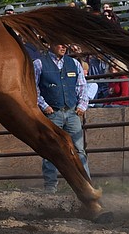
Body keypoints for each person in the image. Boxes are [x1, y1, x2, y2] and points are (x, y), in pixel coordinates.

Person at [33, 43, 92, 194]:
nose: (63, 46)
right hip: (53, 112)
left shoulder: (74, 64)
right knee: (52, 149)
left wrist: (82, 105)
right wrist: (44, 105)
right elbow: (33, 88)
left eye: (65, 44)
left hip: (71, 112)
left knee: (79, 149)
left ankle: (86, 182)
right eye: (60, 43)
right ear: (51, 44)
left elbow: (82, 86)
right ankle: (51, 185)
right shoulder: (39, 64)